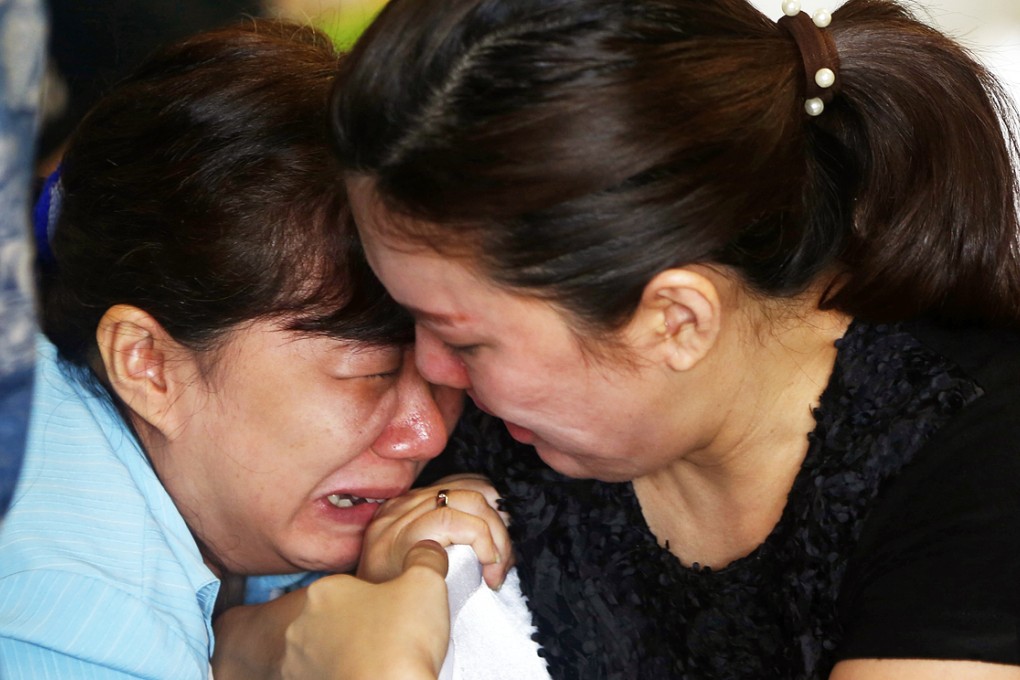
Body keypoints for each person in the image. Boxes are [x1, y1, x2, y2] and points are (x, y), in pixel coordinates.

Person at [329, 0, 1020, 677]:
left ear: (677, 321)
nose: (429, 373)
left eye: (465, 340)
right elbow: (243, 625)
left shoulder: (975, 465)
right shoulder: (497, 429)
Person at [0, 19, 512, 679]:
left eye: (451, 366)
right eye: (372, 373)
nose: (427, 435)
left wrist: (267, 636)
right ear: (149, 365)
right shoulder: (62, 613)